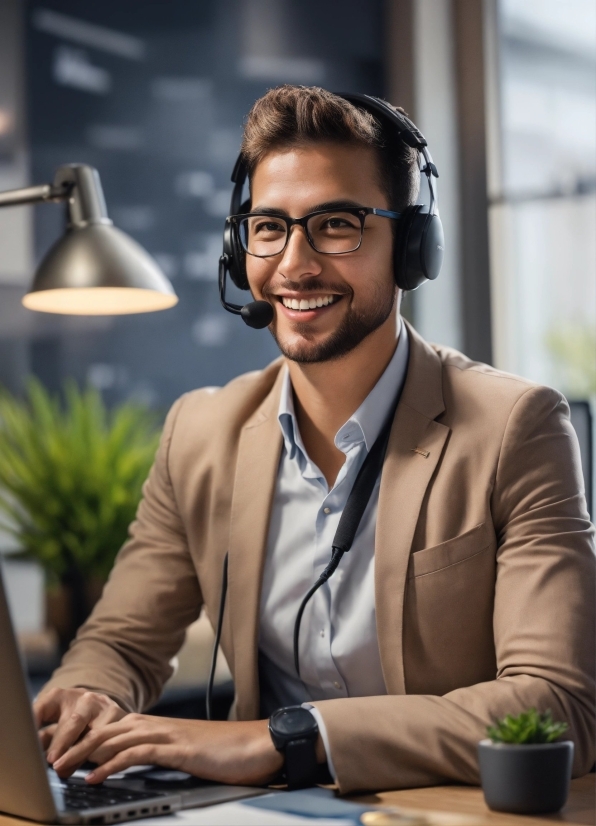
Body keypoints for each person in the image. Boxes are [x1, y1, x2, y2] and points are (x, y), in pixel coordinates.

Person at [34, 86, 595, 795]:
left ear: (412, 247)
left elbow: (557, 706)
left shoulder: (517, 427)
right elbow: (120, 642)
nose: (295, 264)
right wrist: (89, 694)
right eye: (269, 227)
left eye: (337, 224)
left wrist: (287, 738)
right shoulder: (200, 433)